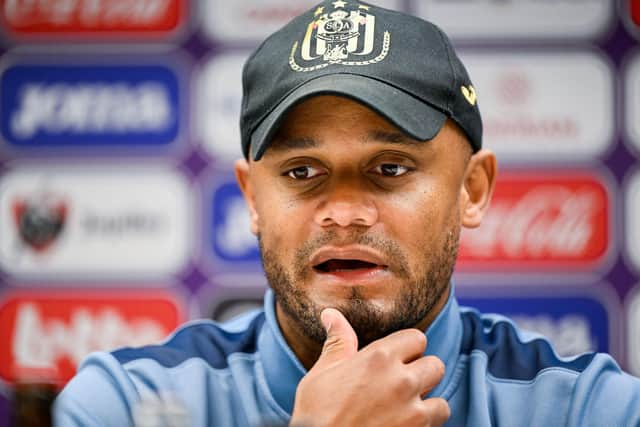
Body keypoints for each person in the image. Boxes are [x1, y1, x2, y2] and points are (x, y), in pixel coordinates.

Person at [54, 1, 640, 426]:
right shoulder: (125, 403)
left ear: (473, 189)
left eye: (391, 168)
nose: (345, 213)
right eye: (302, 172)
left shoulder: (590, 409)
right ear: (253, 198)